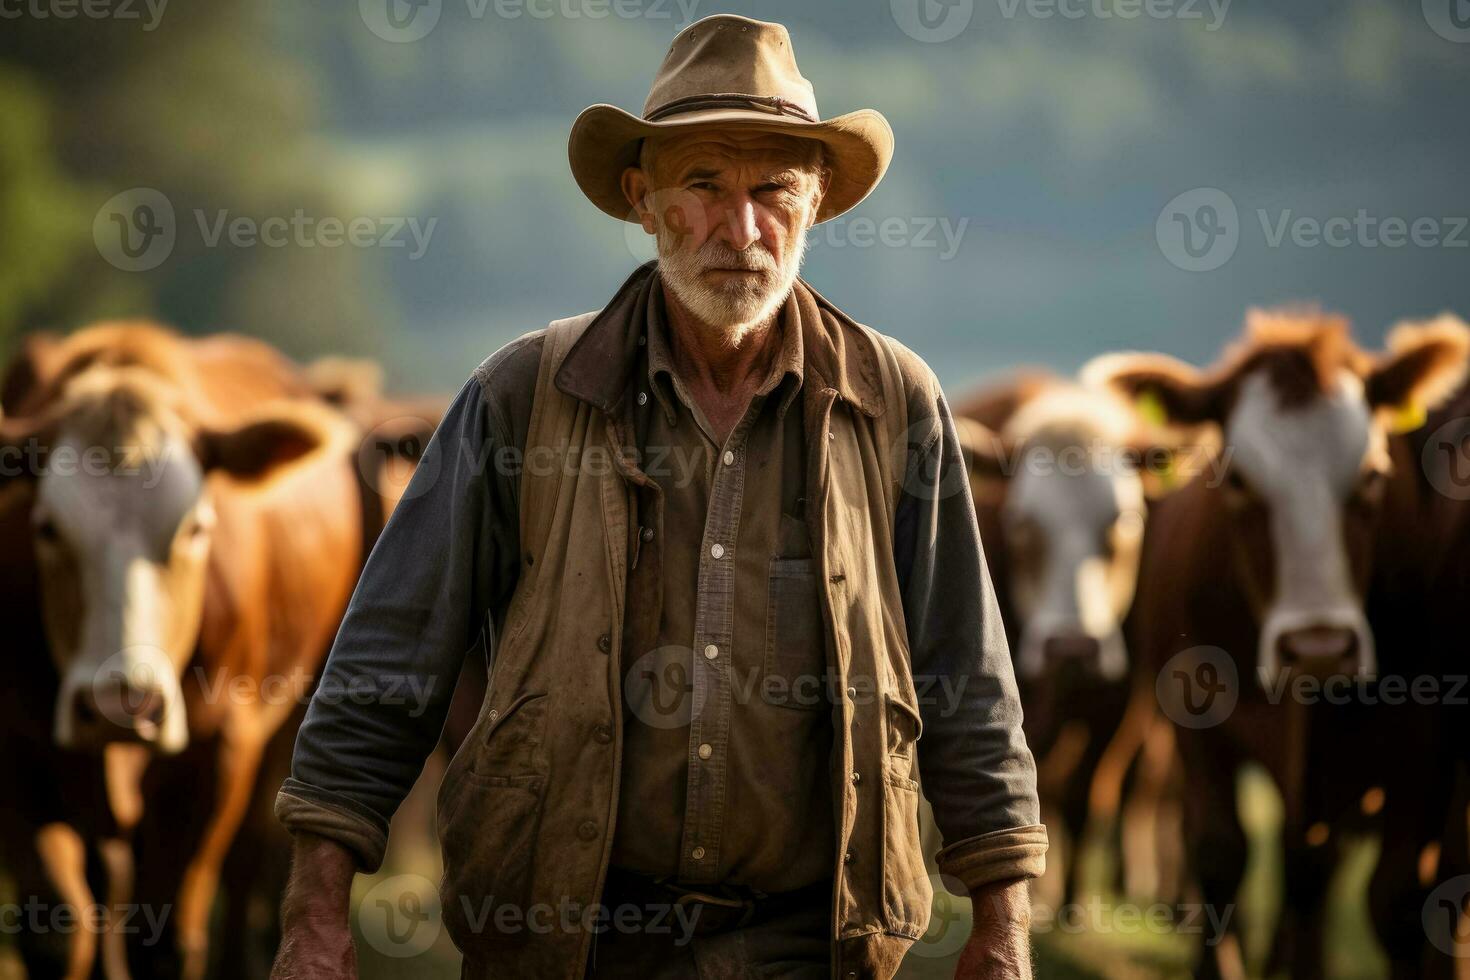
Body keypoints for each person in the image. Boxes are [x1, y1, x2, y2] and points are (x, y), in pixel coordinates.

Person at [269, 13, 1046, 979]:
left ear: (816, 205)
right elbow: (388, 660)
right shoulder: (522, 397)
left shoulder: (893, 403)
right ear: (642, 199)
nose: (743, 228)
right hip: (567, 943)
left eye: (774, 189)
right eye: (704, 187)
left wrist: (1006, 928)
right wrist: (315, 916)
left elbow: (966, 674)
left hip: (812, 946)